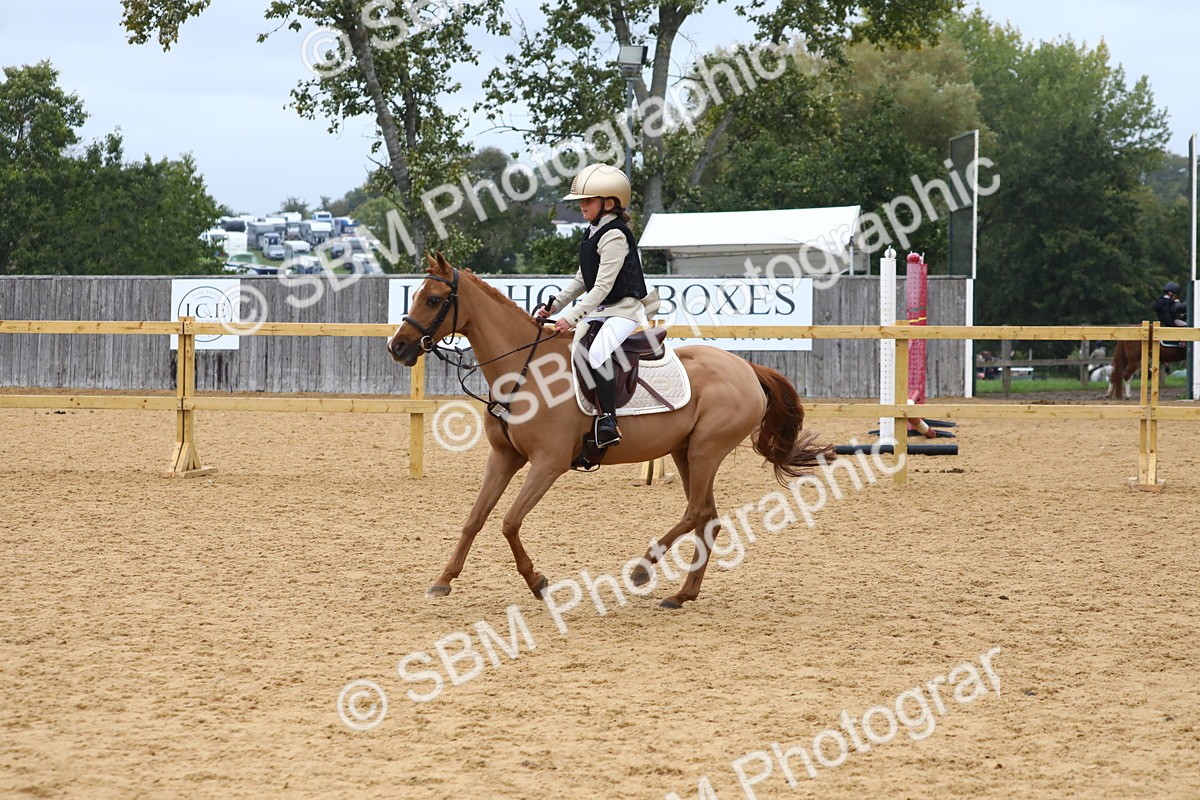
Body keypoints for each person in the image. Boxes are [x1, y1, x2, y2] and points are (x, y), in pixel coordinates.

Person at [535, 164, 657, 448]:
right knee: (571, 349)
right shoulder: (592, 231)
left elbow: (602, 287)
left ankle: (608, 422)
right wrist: (555, 306)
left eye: (588, 200)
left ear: (609, 202)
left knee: (598, 353)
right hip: (604, 311)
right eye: (581, 200)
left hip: (625, 309)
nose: (582, 206)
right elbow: (582, 279)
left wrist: (571, 317)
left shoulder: (615, 234)